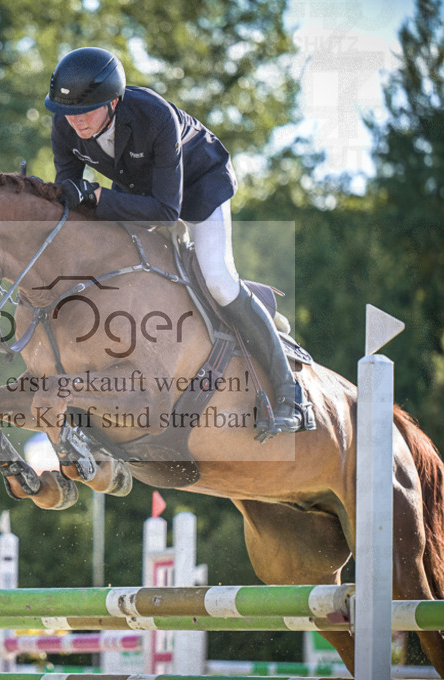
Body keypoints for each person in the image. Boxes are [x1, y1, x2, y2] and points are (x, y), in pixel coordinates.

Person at [44, 46, 312, 441]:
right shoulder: (67, 125)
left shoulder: (155, 116)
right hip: (138, 191)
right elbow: (70, 193)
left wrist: (98, 198)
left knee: (218, 279)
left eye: (87, 111)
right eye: (68, 113)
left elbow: (167, 211)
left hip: (199, 188)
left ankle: (290, 391)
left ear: (114, 102)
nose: (76, 122)